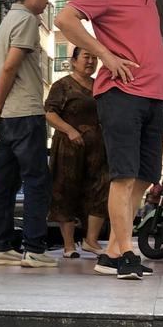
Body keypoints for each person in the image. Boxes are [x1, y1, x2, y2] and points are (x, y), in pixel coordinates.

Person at [55, 0, 163, 280]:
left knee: (144, 176)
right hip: (121, 92)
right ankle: (125, 252)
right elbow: (66, 19)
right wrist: (104, 54)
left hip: (153, 93)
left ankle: (114, 252)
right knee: (123, 175)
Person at [0, 0, 56, 268]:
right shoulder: (26, 20)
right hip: (25, 112)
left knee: (5, 181)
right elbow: (11, 67)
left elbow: (2, 67)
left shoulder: (6, 22)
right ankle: (35, 248)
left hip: (10, 117)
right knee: (37, 180)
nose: (48, 2)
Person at [44, 46, 109, 258]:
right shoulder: (62, 85)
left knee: (101, 189)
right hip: (68, 147)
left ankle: (91, 240)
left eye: (94, 57)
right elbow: (50, 113)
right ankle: (69, 245)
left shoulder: (100, 86)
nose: (90, 61)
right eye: (86, 57)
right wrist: (70, 130)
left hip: (97, 148)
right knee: (65, 191)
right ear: (73, 61)